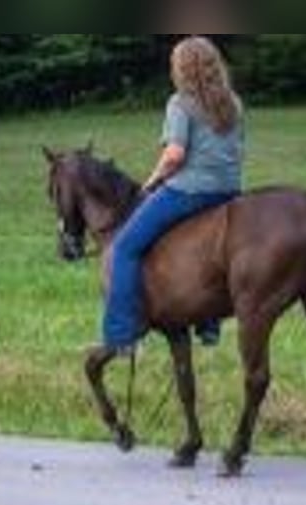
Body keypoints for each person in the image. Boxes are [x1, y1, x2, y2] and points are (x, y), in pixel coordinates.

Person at [103, 35, 244, 355]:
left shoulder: (180, 102)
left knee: (124, 247)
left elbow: (175, 155)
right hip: (230, 192)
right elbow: (238, 150)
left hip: (190, 191)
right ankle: (209, 325)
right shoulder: (233, 101)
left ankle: (122, 336)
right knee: (210, 254)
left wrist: (151, 182)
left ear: (182, 68)